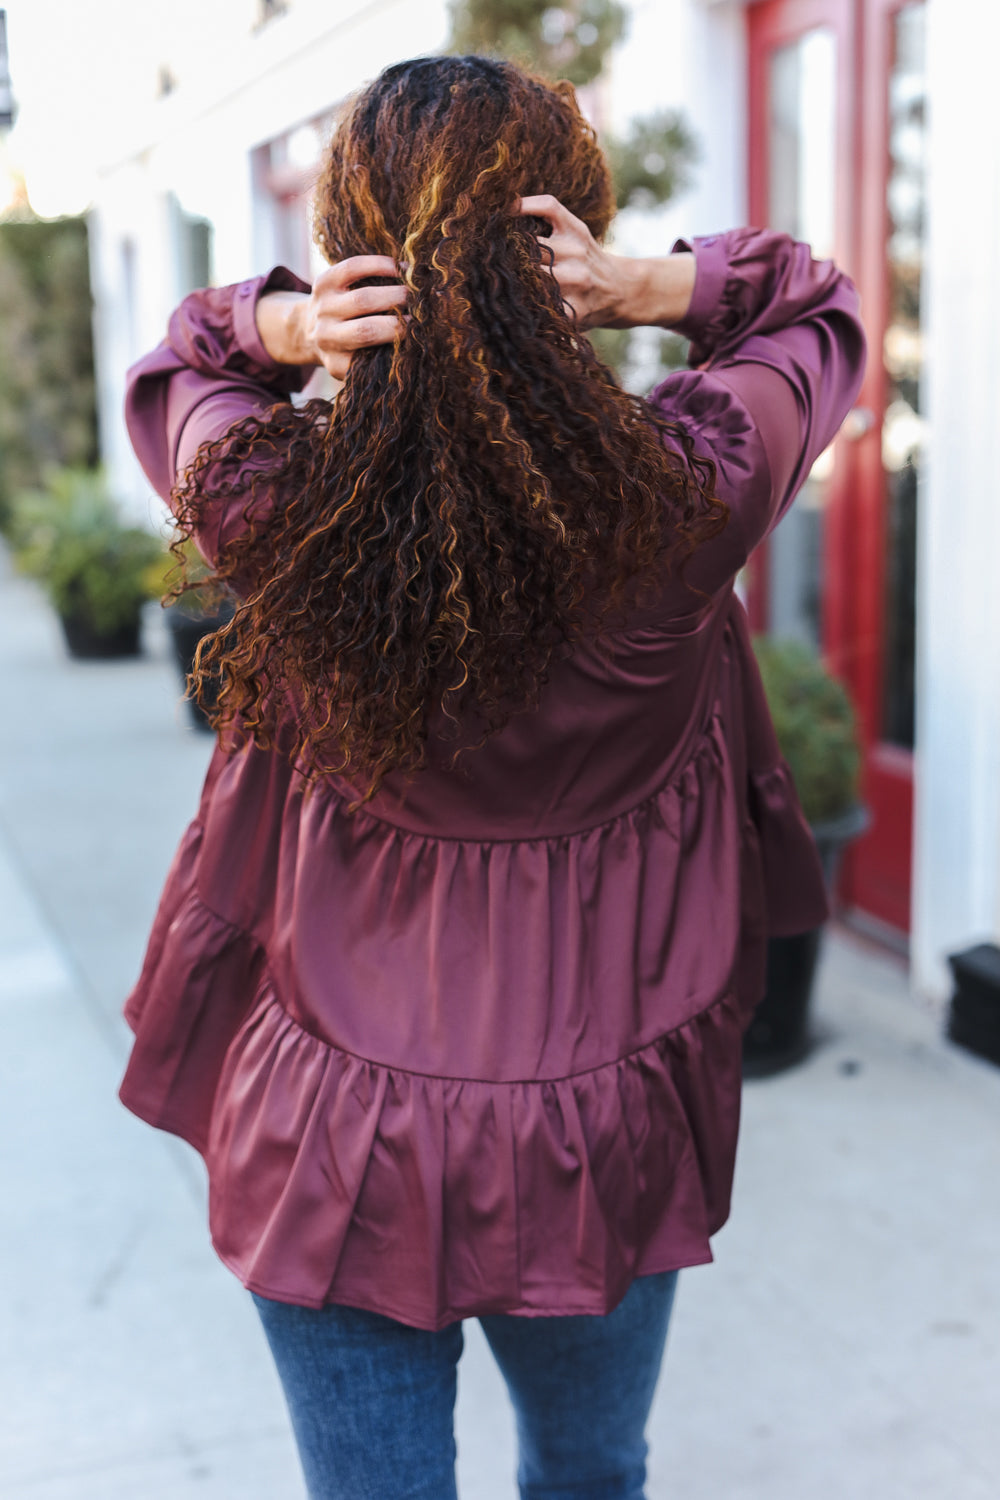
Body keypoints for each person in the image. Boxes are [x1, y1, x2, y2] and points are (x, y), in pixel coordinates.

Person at [120, 53, 865, 1500]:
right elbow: (819, 306)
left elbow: (179, 369)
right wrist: (646, 287)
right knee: (591, 1475)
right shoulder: (691, 490)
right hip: (598, 1135)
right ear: (566, 239)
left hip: (333, 1142)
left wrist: (277, 322)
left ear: (355, 258)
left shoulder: (273, 507)